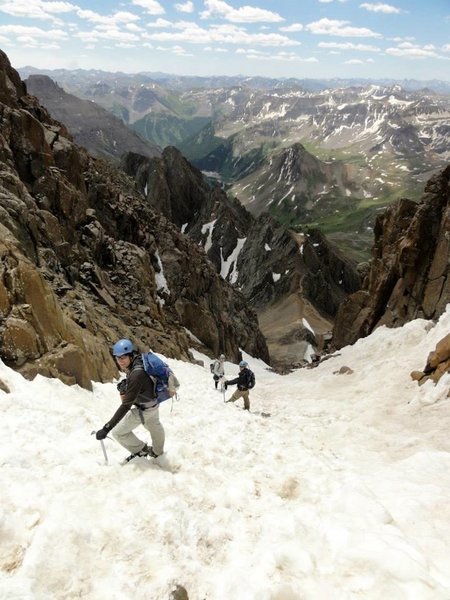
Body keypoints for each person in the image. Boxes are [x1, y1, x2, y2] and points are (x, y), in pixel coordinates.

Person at [95, 338, 165, 463]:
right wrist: (127, 384)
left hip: (143, 409)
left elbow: (126, 405)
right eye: (117, 358)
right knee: (154, 426)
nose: (120, 361)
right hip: (154, 403)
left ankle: (142, 450)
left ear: (130, 356)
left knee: (118, 433)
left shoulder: (136, 374)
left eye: (123, 358)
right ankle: (158, 453)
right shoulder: (140, 361)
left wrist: (107, 428)